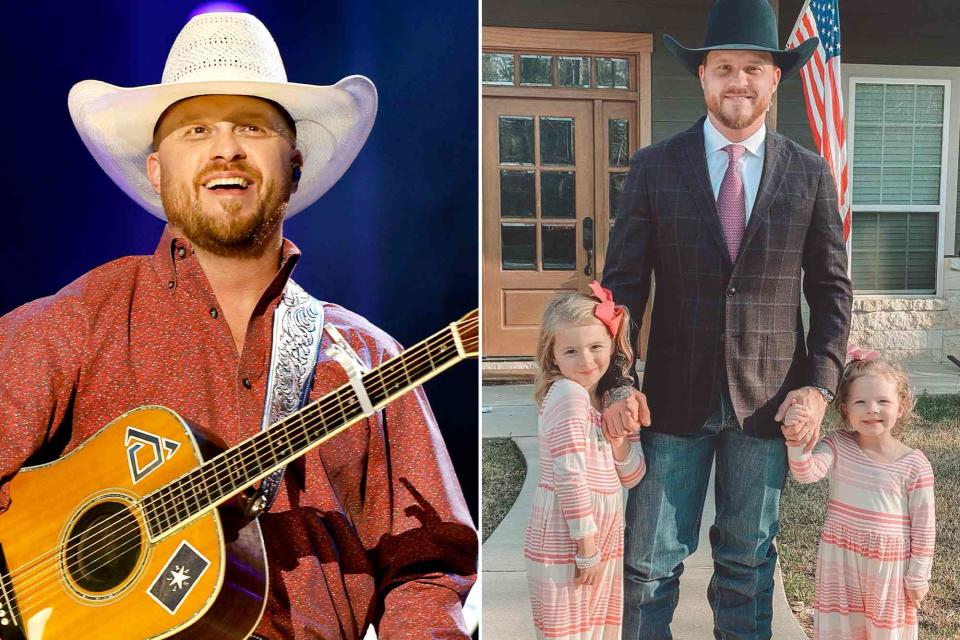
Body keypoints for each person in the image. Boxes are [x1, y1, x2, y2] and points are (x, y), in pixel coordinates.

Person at [0, 12, 476, 640]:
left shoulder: (368, 358)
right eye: (196, 130)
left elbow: (429, 569)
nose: (225, 148)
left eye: (251, 126)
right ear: (156, 170)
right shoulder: (81, 320)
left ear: (294, 164)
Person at [600, 0, 853, 637]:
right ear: (704, 77)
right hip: (669, 403)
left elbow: (830, 294)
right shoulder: (655, 167)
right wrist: (616, 382)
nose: (738, 80)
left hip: (767, 404)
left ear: (774, 79)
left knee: (747, 562)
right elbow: (622, 287)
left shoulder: (811, 174)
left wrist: (820, 387)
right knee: (652, 565)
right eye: (723, 68)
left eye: (753, 68)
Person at [523, 282, 647, 640]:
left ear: (613, 346)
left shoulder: (608, 401)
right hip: (569, 538)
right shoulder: (567, 395)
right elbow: (569, 474)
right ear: (553, 356)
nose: (586, 360)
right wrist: (586, 548)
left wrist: (620, 441)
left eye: (596, 347)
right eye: (572, 351)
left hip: (601, 536)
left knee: (596, 632)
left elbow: (633, 476)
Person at [783, 352, 935, 640]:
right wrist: (795, 439)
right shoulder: (837, 444)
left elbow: (924, 530)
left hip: (888, 569)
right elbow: (806, 473)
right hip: (841, 561)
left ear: (900, 407)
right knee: (842, 630)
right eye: (860, 402)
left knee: (884, 631)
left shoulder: (915, 465)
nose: (871, 409)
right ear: (845, 410)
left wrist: (918, 577)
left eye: (883, 401)